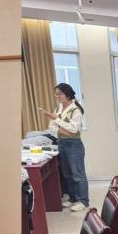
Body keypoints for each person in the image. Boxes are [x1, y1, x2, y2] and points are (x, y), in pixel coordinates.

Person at [42, 83, 90, 212]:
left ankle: (83, 201)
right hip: (62, 143)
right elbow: (51, 126)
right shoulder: (58, 108)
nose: (57, 96)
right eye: (56, 94)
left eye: (60, 94)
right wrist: (62, 129)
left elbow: (73, 130)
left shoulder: (76, 110)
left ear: (67, 95)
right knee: (67, 174)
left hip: (74, 145)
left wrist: (57, 120)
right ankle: (73, 198)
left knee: (77, 174)